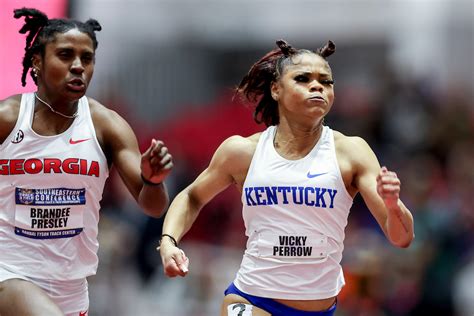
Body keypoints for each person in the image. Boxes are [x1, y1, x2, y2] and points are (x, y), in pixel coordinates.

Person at [159, 39, 415, 316]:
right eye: (303, 79)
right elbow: (191, 196)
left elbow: (400, 237)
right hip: (251, 298)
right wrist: (168, 241)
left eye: (326, 81)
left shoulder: (351, 153)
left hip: (318, 308)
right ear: (276, 89)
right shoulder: (242, 152)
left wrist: (393, 206)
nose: (317, 86)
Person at [0, 8, 173, 316]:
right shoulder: (8, 119)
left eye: (87, 58)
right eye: (65, 55)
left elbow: (153, 206)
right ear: (37, 62)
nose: (78, 66)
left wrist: (154, 180)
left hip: (72, 288)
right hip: (9, 273)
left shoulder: (108, 125)